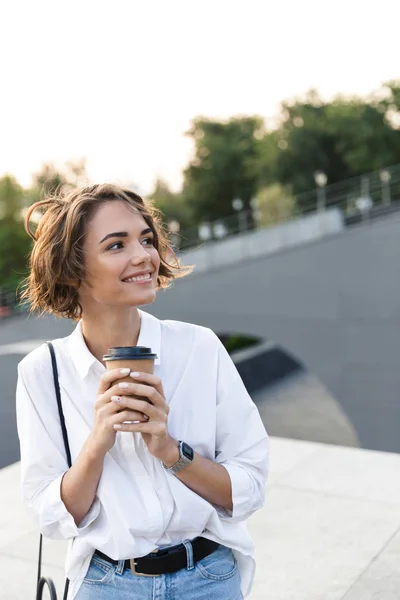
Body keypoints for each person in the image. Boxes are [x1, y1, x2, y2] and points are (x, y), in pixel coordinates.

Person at [16, 184, 269, 600]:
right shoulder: (43, 372)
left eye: (146, 239)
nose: (144, 256)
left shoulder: (199, 348)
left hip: (209, 579)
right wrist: (97, 444)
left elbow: (249, 487)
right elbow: (51, 516)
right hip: (105, 585)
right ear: (71, 269)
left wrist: (170, 450)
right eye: (117, 245)